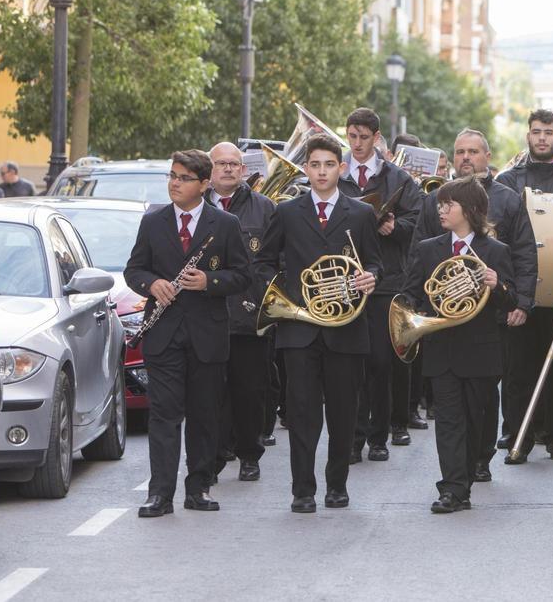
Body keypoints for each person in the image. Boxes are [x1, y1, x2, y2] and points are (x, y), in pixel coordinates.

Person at [253, 134, 382, 513]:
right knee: (302, 413)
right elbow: (263, 264)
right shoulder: (287, 212)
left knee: (343, 413)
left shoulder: (360, 214)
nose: (322, 171)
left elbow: (375, 262)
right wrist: (282, 294)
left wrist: (369, 277)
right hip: (299, 329)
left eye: (329, 164)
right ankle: (302, 490)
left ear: (341, 169)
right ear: (306, 169)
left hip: (346, 328)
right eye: (315, 165)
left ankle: (337, 486)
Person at [124, 149, 251, 517]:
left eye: (183, 178)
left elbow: (243, 276)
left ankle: (198, 488)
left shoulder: (224, 224)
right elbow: (134, 270)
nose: (174, 183)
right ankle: (160, 494)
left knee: (203, 413)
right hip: (163, 332)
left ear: (204, 184)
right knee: (163, 414)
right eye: (172, 176)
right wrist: (153, 284)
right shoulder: (153, 221)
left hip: (207, 335)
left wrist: (208, 281)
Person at [412, 128, 537, 481]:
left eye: (473, 152)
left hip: (490, 315)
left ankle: (480, 457)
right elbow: (420, 254)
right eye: (459, 152)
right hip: (446, 316)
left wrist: (521, 302)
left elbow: (525, 255)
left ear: (487, 155)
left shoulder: (509, 200)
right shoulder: (434, 201)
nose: (466, 158)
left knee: (482, 397)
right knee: (451, 405)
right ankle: (456, 476)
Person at [403, 176, 517, 513]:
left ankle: (465, 476)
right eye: (441, 203)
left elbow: (511, 302)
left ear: (469, 210)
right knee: (450, 421)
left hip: (480, 351)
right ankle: (452, 489)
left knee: (475, 420)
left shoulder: (496, 252)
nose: (441, 209)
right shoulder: (429, 249)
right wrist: (415, 312)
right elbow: (411, 293)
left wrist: (498, 286)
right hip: (442, 349)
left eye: (448, 204)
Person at [495, 109, 553, 463]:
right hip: (520, 290)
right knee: (517, 365)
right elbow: (498, 236)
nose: (542, 138)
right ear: (528, 135)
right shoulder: (507, 180)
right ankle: (515, 430)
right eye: (536, 132)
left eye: (548, 132)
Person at [337, 108, 424, 458]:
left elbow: (418, 222)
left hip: (386, 280)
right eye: (351, 137)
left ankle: (378, 438)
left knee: (380, 362)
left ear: (376, 138)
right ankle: (353, 438)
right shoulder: (338, 172)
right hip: (346, 279)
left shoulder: (398, 178)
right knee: (351, 363)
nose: (356, 144)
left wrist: (394, 227)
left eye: (363, 137)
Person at [207, 142, 276, 482]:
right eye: (221, 163)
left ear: (244, 170)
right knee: (212, 392)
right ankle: (217, 455)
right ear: (210, 170)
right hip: (208, 315)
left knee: (250, 391)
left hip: (250, 315)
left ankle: (250, 454)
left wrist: (262, 297)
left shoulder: (265, 208)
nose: (229, 169)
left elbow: (275, 260)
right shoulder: (196, 205)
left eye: (235, 163)